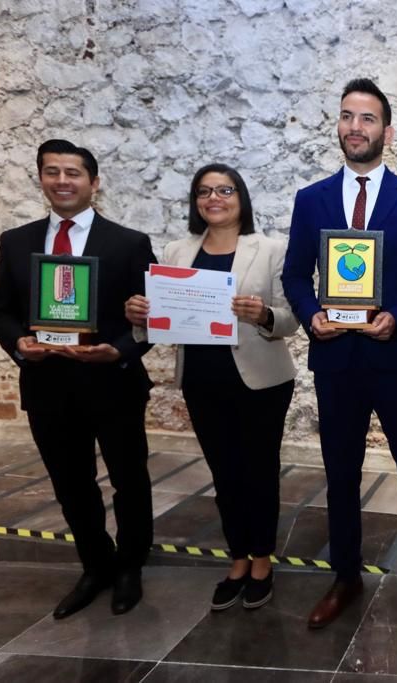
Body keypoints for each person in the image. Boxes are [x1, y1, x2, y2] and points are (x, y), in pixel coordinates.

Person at [281, 78, 397, 627]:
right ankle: (344, 575)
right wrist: (311, 315)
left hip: (396, 357)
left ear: (386, 132)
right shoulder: (312, 199)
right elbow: (295, 275)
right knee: (341, 470)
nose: (356, 126)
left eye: (367, 118)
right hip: (337, 361)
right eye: (347, 116)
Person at [125, 164, 298, 610]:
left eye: (224, 190)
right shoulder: (176, 251)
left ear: (241, 197)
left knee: (259, 472)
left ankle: (262, 560)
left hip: (261, 380)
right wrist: (141, 316)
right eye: (204, 192)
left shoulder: (271, 249)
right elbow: (161, 320)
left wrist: (263, 315)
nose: (214, 198)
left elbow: (290, 319)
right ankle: (238, 558)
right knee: (224, 473)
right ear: (195, 201)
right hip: (202, 379)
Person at [0, 139, 155, 618]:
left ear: (93, 182)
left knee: (129, 480)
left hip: (113, 383)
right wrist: (18, 343)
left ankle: (130, 567)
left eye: (73, 172)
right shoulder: (16, 242)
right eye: (52, 171)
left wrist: (119, 350)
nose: (62, 181)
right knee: (71, 484)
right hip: (47, 386)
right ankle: (95, 564)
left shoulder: (129, 243)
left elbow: (151, 319)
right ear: (41, 178)